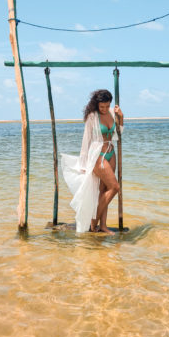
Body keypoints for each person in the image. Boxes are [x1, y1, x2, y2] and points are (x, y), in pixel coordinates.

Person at [61, 89, 124, 234]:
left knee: (105, 190)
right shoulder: (92, 116)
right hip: (97, 155)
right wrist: (83, 164)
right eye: (101, 106)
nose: (104, 109)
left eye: (107, 106)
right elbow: (86, 140)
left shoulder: (113, 113)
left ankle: (103, 226)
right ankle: (93, 222)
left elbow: (118, 133)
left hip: (111, 153)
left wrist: (121, 116)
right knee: (115, 187)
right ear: (96, 104)